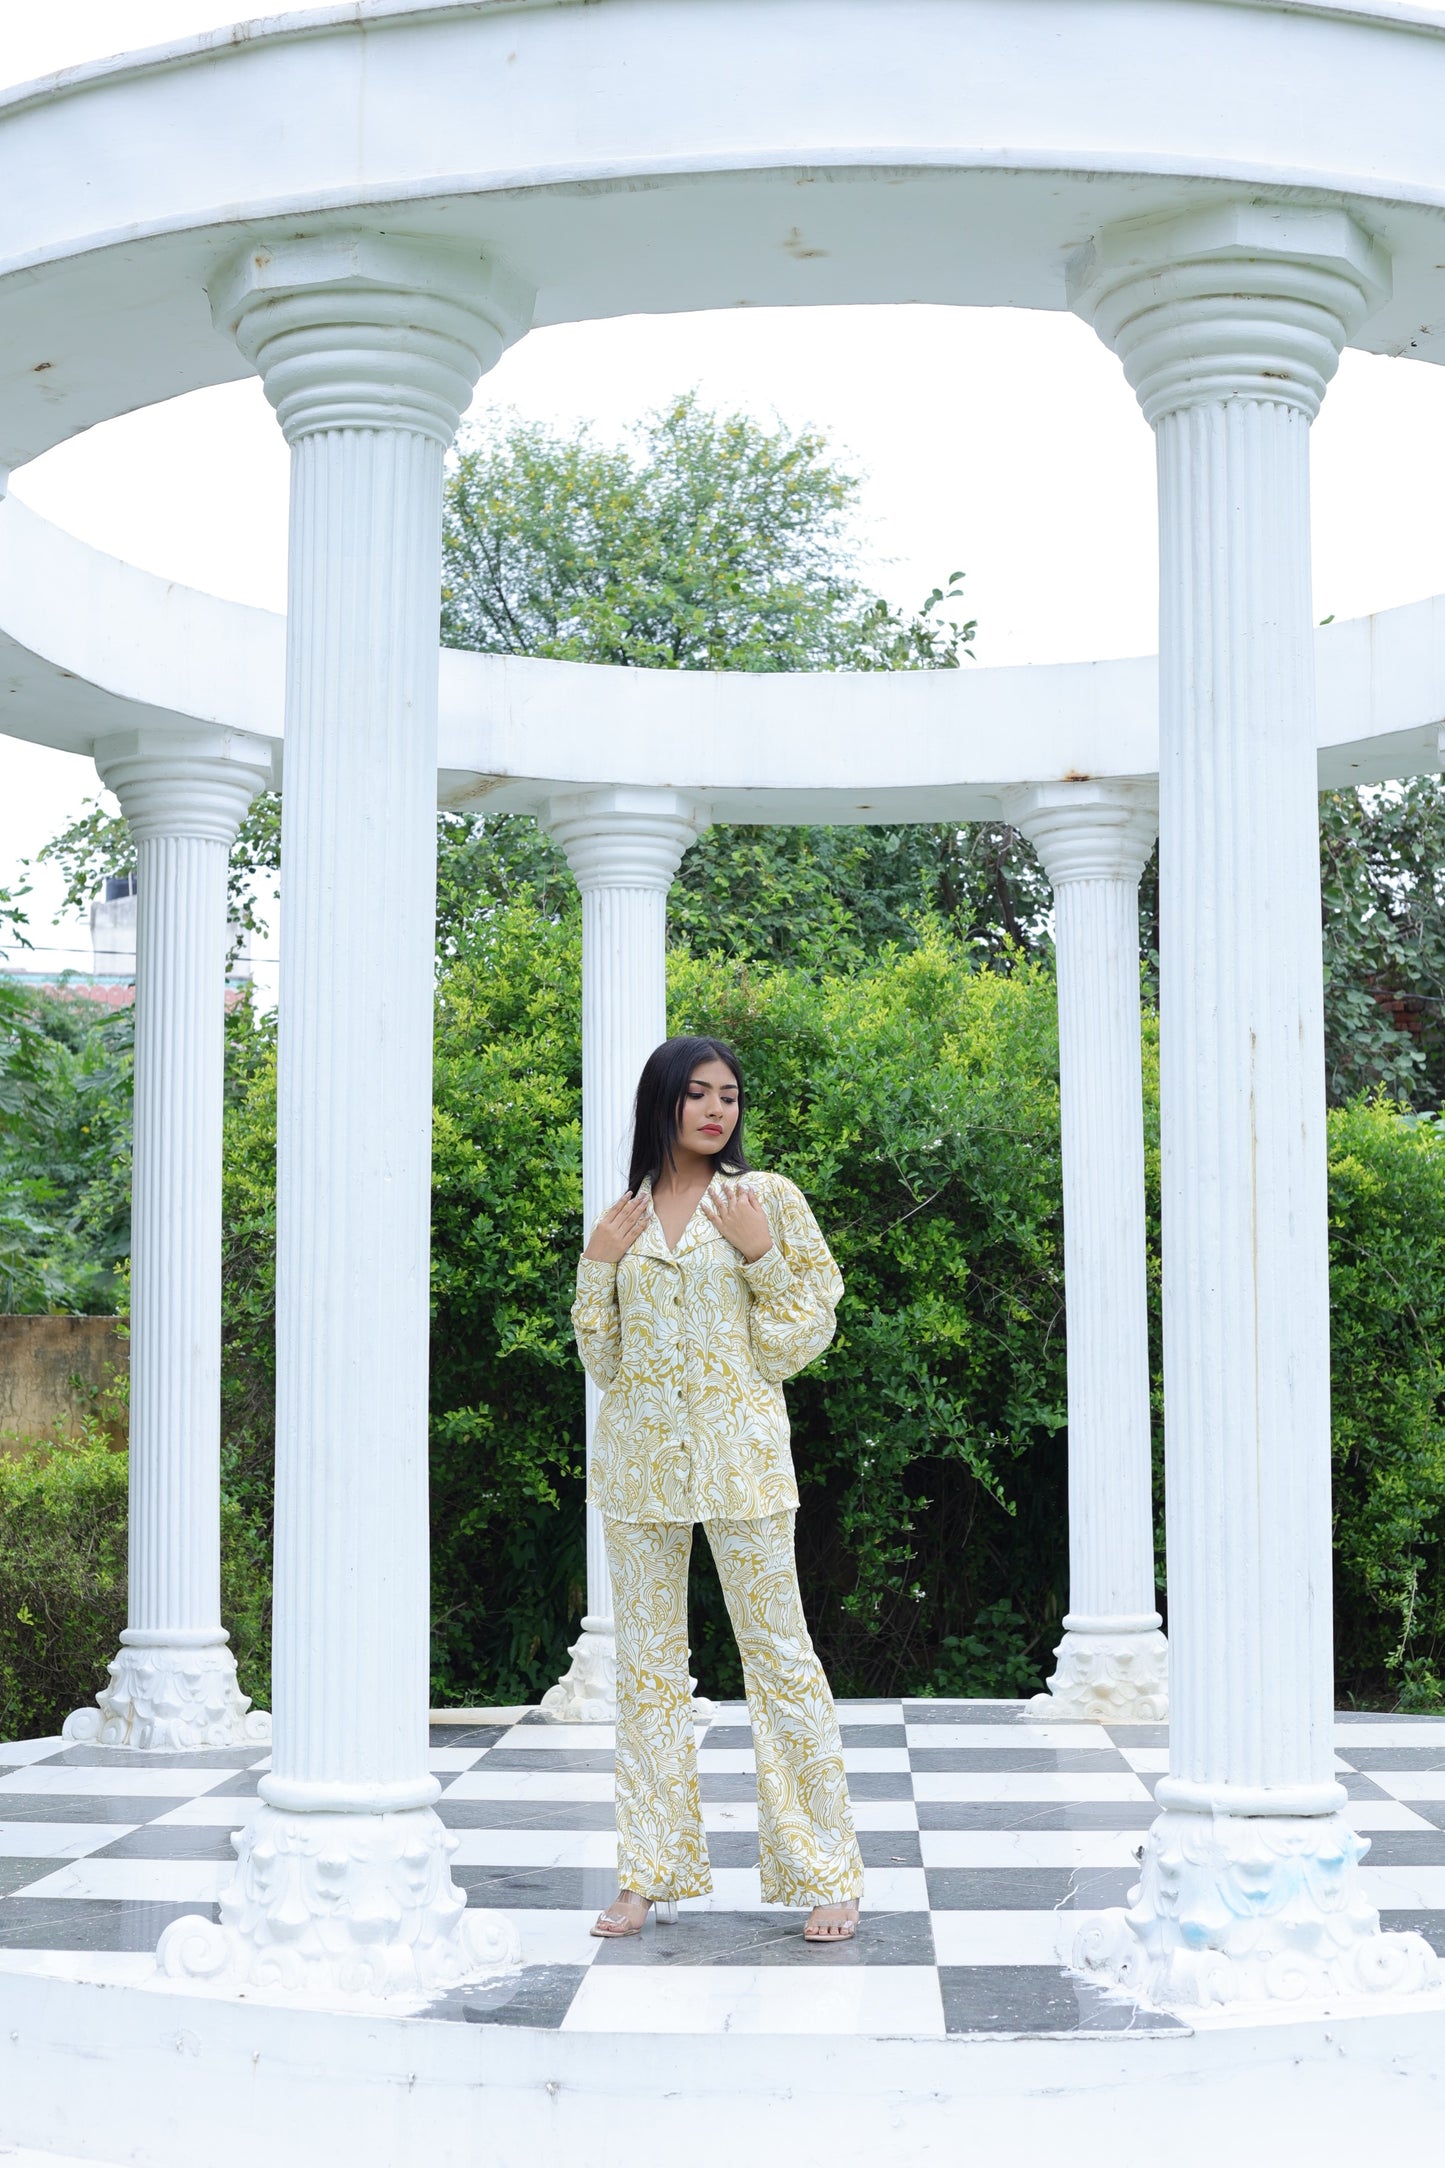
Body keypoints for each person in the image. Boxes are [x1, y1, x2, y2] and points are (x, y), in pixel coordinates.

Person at [571, 1034, 864, 1944]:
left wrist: (759, 1256)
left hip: (741, 1458)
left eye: (728, 1096)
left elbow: (796, 1336)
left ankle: (826, 1874)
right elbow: (604, 1359)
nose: (713, 1110)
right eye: (696, 1094)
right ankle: (645, 1873)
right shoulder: (624, 1214)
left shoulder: (763, 1199)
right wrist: (595, 1263)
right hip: (638, 1466)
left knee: (779, 1658)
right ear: (660, 1102)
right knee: (649, 1672)